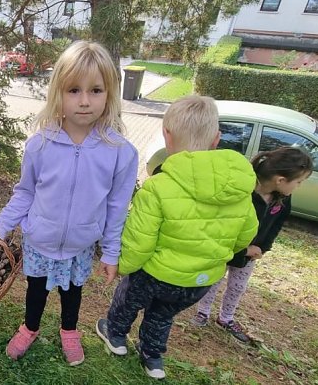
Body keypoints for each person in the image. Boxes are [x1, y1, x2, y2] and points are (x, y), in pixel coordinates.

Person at [0, 41, 139, 366]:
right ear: (58, 93)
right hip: (40, 240)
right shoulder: (40, 145)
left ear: (110, 93)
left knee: (72, 293)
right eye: (74, 90)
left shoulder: (121, 152)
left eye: (96, 90)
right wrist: (1, 224)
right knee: (36, 291)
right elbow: (25, 193)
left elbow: (116, 207)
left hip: (80, 245)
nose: (84, 101)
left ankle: (69, 331)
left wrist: (111, 252)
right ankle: (29, 328)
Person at [95, 95, 258, 379]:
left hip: (154, 275)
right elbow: (244, 236)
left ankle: (116, 336)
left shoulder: (158, 186)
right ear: (216, 139)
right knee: (162, 315)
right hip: (199, 281)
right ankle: (152, 358)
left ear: (166, 135)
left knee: (127, 300)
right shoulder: (239, 189)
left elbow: (140, 239)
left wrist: (123, 266)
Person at [191, 147, 312, 343]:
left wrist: (262, 249)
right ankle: (202, 312)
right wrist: (243, 250)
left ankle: (226, 318)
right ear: (280, 180)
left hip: (251, 254)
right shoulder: (243, 192)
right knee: (213, 281)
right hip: (227, 251)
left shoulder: (282, 199)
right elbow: (223, 226)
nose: (299, 186)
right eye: (299, 182)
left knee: (238, 286)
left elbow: (276, 225)